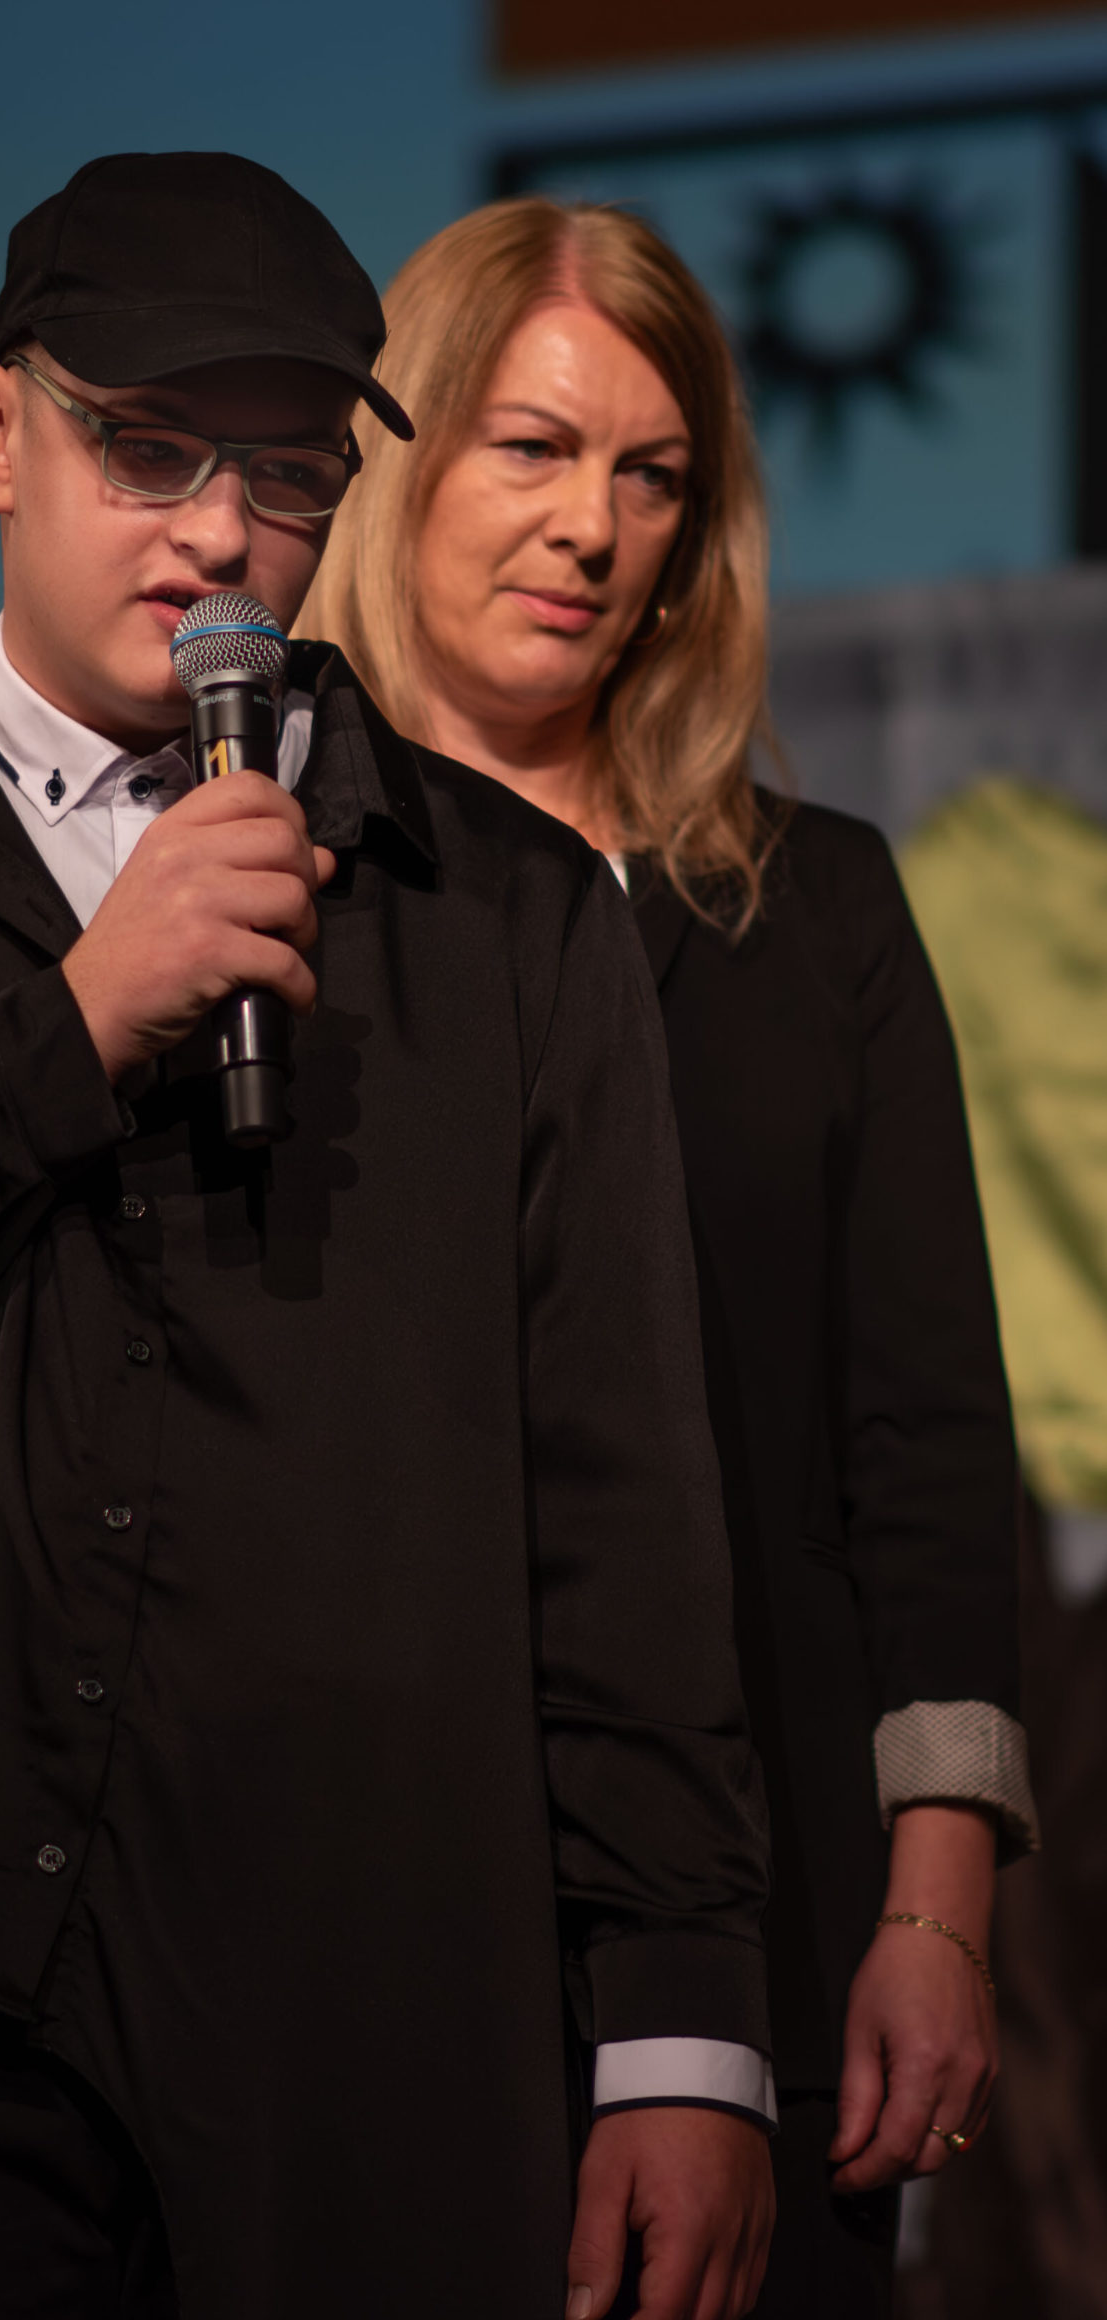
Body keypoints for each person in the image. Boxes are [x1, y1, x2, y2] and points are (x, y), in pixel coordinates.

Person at [0, 152, 776, 2320]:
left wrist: (682, 2024)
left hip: (347, 1989)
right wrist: (63, 1034)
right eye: (150, 449)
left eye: (289, 474)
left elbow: (622, 1504)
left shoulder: (508, 913)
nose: (223, 535)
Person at [306, 194, 1037, 2319]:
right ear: (395, 457)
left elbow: (923, 1446)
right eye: (534, 448)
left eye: (652, 474)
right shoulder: (249, 893)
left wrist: (936, 1908)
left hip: (772, 1938)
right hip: (340, 1949)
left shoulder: (814, 913)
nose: (592, 528)